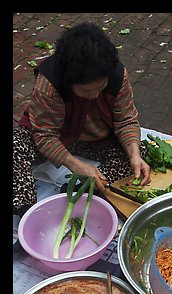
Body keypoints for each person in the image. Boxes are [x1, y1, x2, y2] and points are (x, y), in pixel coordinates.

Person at [13, 22, 150, 215]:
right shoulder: (49, 84)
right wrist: (76, 165)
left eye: (100, 87)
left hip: (96, 140)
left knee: (138, 153)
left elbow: (126, 120)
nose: (94, 95)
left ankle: (81, 193)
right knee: (15, 145)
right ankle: (28, 211)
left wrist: (134, 154)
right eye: (86, 90)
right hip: (58, 137)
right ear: (69, 82)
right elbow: (44, 135)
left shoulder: (118, 76)